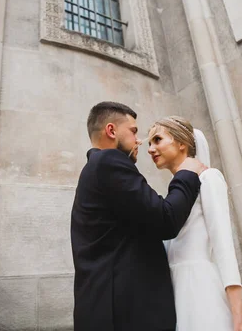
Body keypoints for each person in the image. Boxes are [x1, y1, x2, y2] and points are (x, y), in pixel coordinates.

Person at [71, 102, 207, 331]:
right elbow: (166, 220)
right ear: (112, 131)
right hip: (126, 314)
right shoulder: (108, 162)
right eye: (134, 131)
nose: (140, 141)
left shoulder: (95, 168)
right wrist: (186, 173)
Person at [147, 116, 242, 331]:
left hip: (200, 289)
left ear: (182, 143)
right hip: (173, 292)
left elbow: (223, 246)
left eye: (157, 140)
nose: (150, 149)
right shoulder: (175, 194)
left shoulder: (209, 178)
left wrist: (238, 317)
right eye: (149, 143)